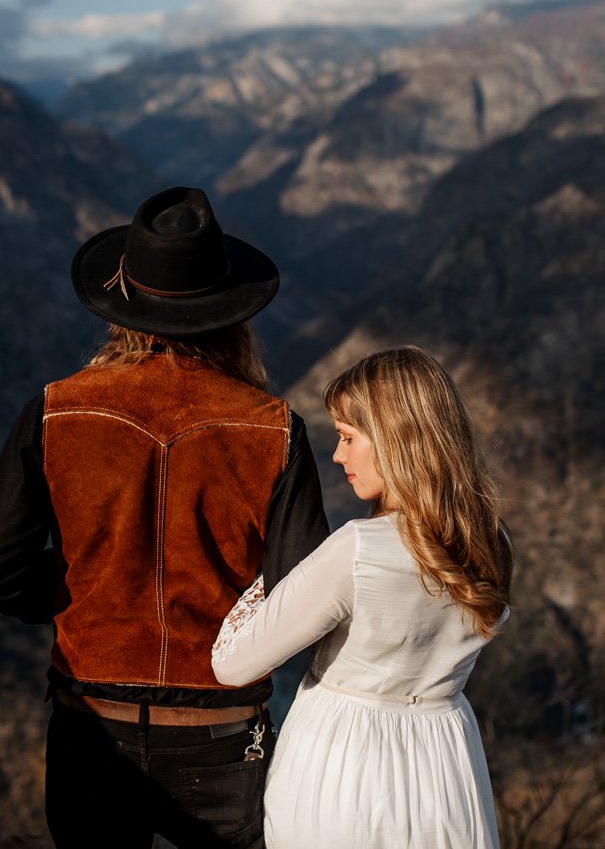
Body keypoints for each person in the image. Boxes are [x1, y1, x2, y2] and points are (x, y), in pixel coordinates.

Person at [0, 186, 330, 849]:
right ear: (229, 312)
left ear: (121, 308)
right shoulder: (273, 430)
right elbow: (302, 592)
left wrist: (86, 587)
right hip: (222, 734)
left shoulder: (56, 412)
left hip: (91, 725)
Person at [211, 346, 514, 849]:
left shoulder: (359, 549)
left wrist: (274, 573)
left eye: (349, 438)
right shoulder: (492, 541)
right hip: (447, 764)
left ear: (397, 440)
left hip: (344, 762)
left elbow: (233, 665)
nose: (337, 455)